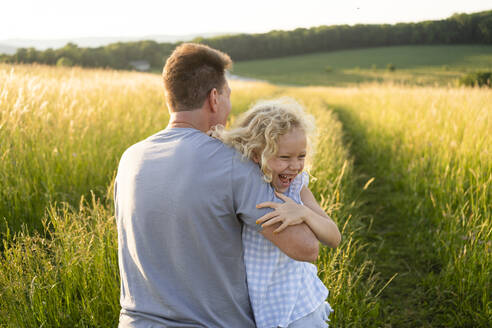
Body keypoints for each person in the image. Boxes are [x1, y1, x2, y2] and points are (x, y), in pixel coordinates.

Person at [114, 43, 320, 327]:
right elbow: (306, 248)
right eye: (228, 96)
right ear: (214, 98)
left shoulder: (130, 159)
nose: (229, 108)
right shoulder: (233, 163)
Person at [211, 98, 342, 328]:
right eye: (284, 157)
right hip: (252, 306)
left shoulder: (296, 187)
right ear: (255, 155)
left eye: (301, 156)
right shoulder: (245, 185)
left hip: (297, 305)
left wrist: (303, 213)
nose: (294, 166)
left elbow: (334, 237)